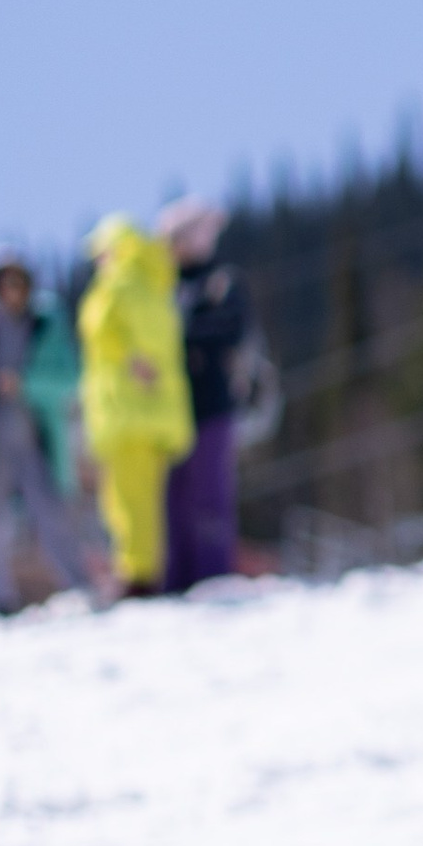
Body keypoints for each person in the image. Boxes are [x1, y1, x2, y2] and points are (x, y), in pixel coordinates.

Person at [0, 251, 100, 611]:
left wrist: (24, 384)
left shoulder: (46, 324)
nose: (13, 290)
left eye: (20, 282)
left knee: (52, 511)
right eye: (5, 282)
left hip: (35, 434)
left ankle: (79, 584)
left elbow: (69, 379)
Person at [76, 217, 193, 598]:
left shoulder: (119, 288)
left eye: (102, 254)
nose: (99, 263)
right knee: (145, 499)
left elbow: (96, 330)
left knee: (127, 500)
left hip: (125, 413)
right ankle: (145, 569)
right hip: (152, 414)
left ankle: (136, 575)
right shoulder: (155, 289)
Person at [156, 199, 254, 594]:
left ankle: (213, 578)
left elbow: (231, 330)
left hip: (211, 404)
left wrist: (179, 339)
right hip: (168, 410)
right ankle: (176, 581)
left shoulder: (222, 281)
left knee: (210, 494)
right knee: (174, 500)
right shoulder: (163, 288)